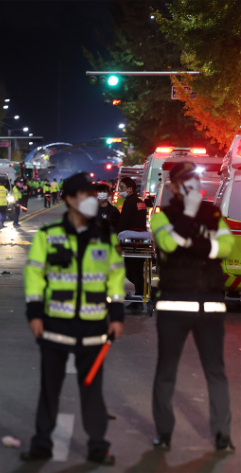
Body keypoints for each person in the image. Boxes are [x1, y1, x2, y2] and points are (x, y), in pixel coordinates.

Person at [22, 172, 125, 465]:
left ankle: (98, 446)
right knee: (49, 390)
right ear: (68, 199)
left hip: (93, 327)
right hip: (55, 325)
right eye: (85, 195)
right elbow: (35, 276)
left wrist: (117, 315)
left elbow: (115, 276)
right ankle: (42, 443)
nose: (92, 200)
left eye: (93, 195)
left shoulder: (105, 236)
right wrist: (34, 313)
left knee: (92, 391)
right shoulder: (48, 235)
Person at [150, 162, 236, 453]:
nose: (192, 187)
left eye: (194, 182)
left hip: (209, 304)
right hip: (174, 304)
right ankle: (164, 434)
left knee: (216, 371)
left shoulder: (213, 213)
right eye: (185, 182)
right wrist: (189, 219)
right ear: (173, 186)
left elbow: (226, 248)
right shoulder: (162, 216)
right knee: (166, 371)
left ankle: (223, 435)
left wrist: (192, 242)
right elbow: (168, 245)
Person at [116, 177, 147, 311]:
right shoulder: (140, 202)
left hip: (130, 242)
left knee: (130, 271)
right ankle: (141, 295)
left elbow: (123, 223)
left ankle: (141, 296)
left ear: (130, 189)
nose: (119, 190)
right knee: (137, 271)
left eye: (122, 188)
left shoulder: (129, 202)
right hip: (141, 242)